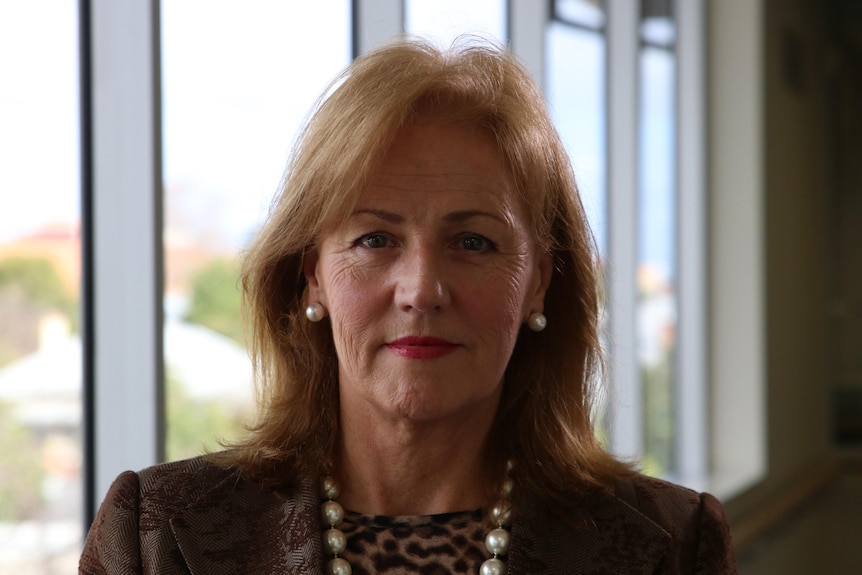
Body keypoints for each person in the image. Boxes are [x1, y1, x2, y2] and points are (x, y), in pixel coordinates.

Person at [80, 38, 737, 575]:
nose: (421, 288)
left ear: (539, 280)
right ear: (312, 276)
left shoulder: (669, 546)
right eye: (375, 239)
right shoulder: (161, 535)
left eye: (473, 241)